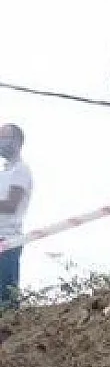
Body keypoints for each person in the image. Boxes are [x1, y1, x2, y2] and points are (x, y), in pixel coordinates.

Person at [0, 124, 33, 312]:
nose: (1, 142)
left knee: (6, 301)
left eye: (5, 137)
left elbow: (11, 204)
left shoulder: (21, 170)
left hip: (8, 242)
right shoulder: (4, 173)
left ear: (18, 141)